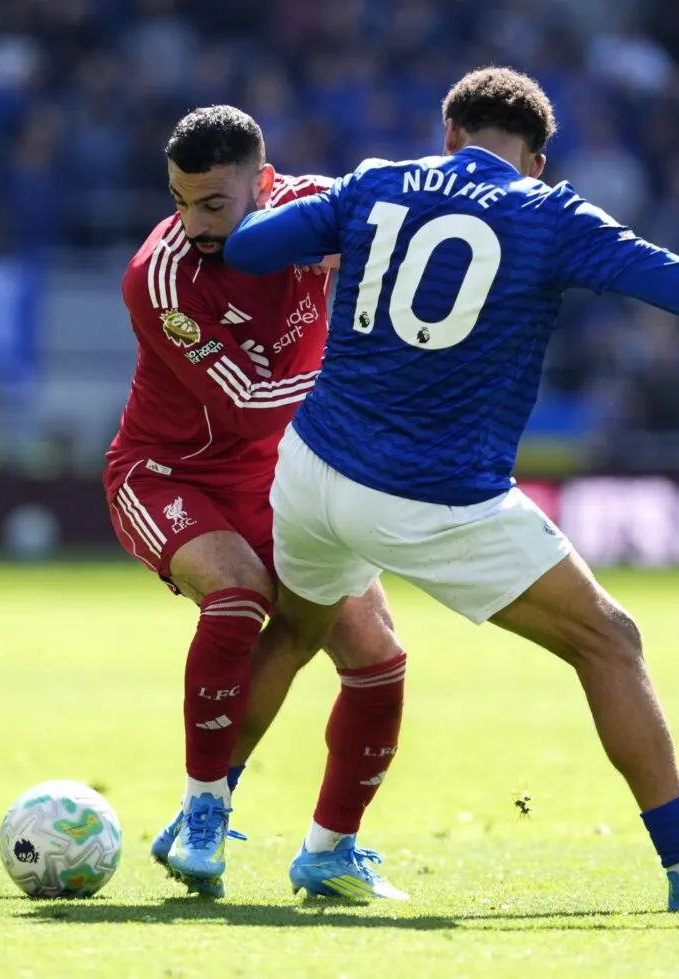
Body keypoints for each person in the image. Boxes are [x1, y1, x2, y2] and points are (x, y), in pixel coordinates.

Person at [223, 67, 679, 912]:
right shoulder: (550, 214)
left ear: (450, 134)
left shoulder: (375, 182)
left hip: (313, 466)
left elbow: (247, 247)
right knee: (609, 640)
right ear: (536, 160)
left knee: (294, 632)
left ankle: (205, 815)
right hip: (431, 492)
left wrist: (319, 222)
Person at [106, 105, 407, 900]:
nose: (194, 225)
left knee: (377, 657)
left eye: (213, 204)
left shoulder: (317, 207)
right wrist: (368, 386)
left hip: (281, 481)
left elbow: (401, 213)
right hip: (168, 475)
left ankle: (331, 849)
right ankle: (205, 809)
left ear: (264, 183)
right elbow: (247, 403)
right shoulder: (160, 276)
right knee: (239, 597)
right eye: (180, 202)